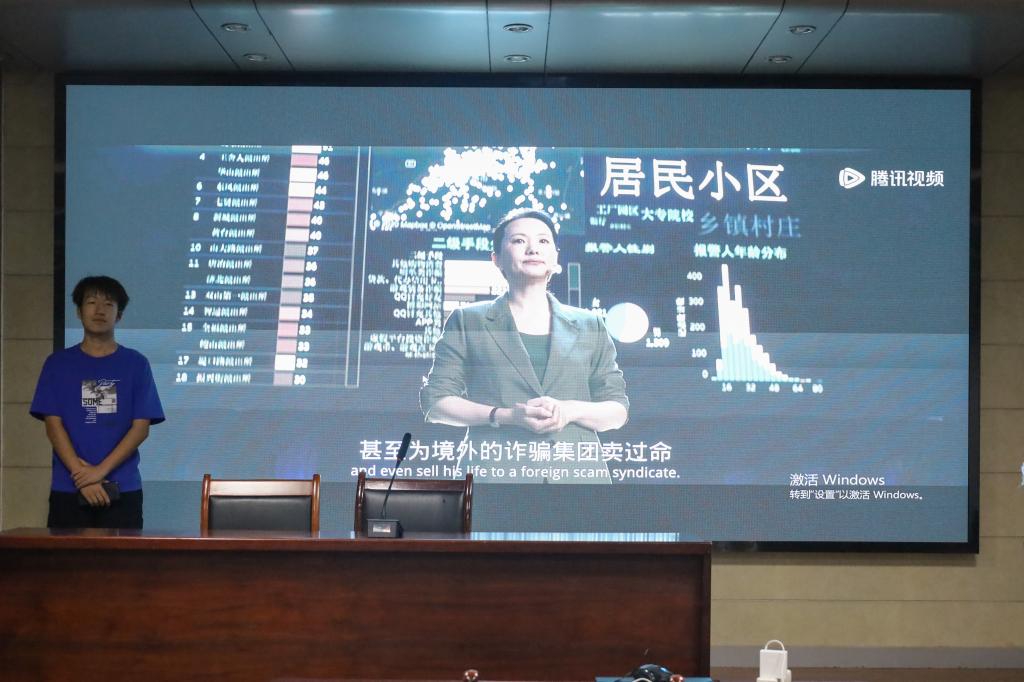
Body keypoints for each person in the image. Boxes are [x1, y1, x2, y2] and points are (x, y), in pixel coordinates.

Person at [420, 209, 628, 482]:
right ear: (496, 259)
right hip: (494, 476)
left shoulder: (590, 324)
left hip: (577, 478)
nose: (533, 249)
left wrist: (569, 411)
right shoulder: (467, 320)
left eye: (543, 241)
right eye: (519, 240)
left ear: (555, 257)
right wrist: (505, 416)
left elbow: (617, 409)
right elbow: (436, 403)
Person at [30, 275, 165, 528]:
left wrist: (98, 472)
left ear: (119, 315)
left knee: (124, 556)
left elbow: (141, 428)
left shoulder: (136, 364)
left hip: (123, 488)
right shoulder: (57, 364)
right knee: (64, 555)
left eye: (109, 304)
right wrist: (82, 477)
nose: (100, 310)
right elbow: (53, 425)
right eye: (91, 302)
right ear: (79, 312)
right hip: (68, 488)